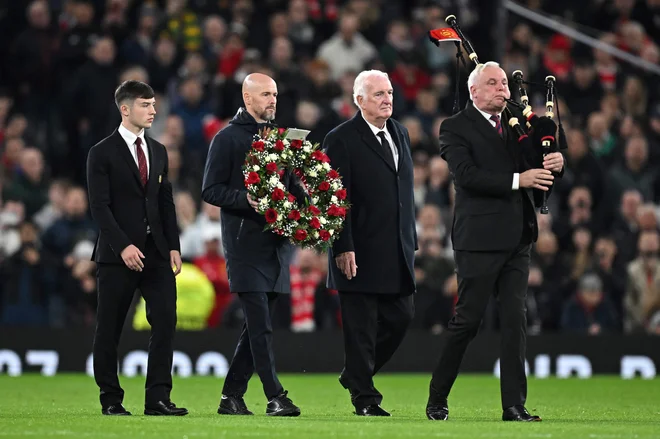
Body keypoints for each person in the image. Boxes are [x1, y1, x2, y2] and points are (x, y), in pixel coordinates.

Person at [425, 61, 564, 422]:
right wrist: (520, 179)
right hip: (480, 240)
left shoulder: (520, 120)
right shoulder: (454, 127)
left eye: (504, 83)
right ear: (474, 91)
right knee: (468, 321)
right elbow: (467, 177)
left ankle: (513, 405)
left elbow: (540, 167)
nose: (503, 89)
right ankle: (437, 395)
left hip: (518, 236)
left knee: (515, 321)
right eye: (493, 83)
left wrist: (556, 163)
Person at [201, 73, 303, 417]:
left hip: (275, 244)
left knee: (255, 328)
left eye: (274, 94)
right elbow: (210, 190)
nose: (272, 100)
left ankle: (231, 396)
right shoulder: (227, 138)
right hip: (243, 244)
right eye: (265, 95)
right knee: (260, 326)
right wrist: (247, 199)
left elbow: (290, 186)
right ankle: (276, 396)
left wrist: (309, 208)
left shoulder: (281, 137)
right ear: (247, 98)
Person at [86, 80, 187, 416]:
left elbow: (165, 201)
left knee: (165, 320)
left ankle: (157, 398)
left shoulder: (158, 150)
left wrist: (173, 245)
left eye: (154, 104)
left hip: (157, 252)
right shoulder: (101, 152)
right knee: (110, 327)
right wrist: (122, 246)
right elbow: (100, 207)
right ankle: (111, 399)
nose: (154, 111)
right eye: (146, 105)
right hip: (118, 256)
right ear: (125, 109)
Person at [322, 70, 416, 416]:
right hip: (357, 250)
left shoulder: (401, 133)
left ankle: (355, 374)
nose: (387, 99)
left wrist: (411, 240)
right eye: (378, 94)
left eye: (389, 92)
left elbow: (403, 194)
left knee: (402, 316)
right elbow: (333, 198)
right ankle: (365, 398)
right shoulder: (341, 138)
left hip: (397, 248)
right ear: (358, 101)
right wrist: (342, 246)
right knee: (360, 329)